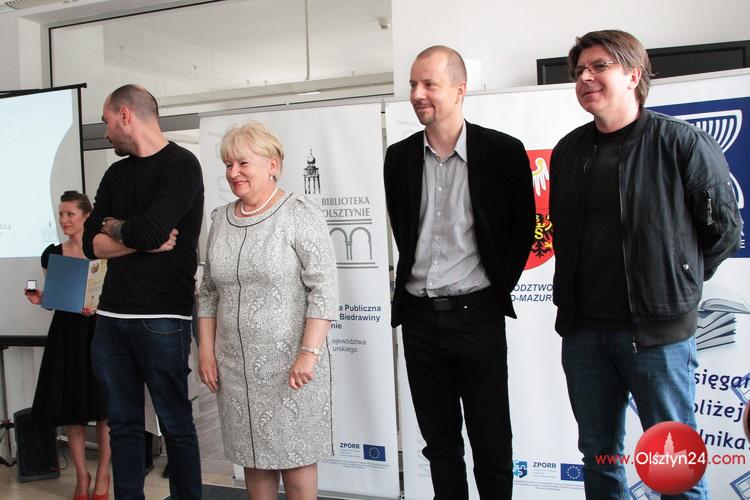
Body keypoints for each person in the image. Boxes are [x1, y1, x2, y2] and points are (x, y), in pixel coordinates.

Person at [550, 30, 742, 499]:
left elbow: (723, 232)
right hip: (585, 335)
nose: (585, 77)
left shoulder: (682, 143)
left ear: (633, 75)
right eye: (579, 70)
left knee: (673, 465)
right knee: (599, 456)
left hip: (659, 335)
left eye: (599, 66)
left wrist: (677, 280)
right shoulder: (568, 151)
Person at [383, 45, 535, 499]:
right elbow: (404, 230)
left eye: (429, 84)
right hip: (418, 319)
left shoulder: (502, 152)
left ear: (460, 89)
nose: (417, 93)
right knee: (439, 445)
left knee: (491, 441)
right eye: (413, 84)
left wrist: (489, 291)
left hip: (477, 316)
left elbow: (521, 232)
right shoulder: (398, 157)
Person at [197, 121, 338, 500]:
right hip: (234, 369)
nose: (233, 173)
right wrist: (206, 351)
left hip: (290, 367)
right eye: (228, 164)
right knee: (253, 460)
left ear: (272, 164)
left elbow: (324, 289)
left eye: (243, 163)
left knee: (295, 459)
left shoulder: (299, 213)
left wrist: (308, 354)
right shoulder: (220, 220)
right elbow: (208, 292)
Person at [82, 84, 204, 500]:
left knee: (176, 423)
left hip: (163, 316)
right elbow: (90, 244)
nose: (105, 133)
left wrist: (114, 227)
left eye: (106, 122)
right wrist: (137, 238)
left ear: (125, 115)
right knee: (123, 426)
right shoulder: (116, 173)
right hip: (111, 318)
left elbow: (148, 232)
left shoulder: (181, 166)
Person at [24, 190, 111, 500]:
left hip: (100, 331)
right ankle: (81, 476)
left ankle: (103, 473)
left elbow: (116, 293)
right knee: (72, 409)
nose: (64, 219)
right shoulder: (52, 253)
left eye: (70, 214)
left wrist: (97, 306)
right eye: (61, 214)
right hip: (66, 335)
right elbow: (54, 298)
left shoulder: (103, 249)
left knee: (104, 409)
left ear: (86, 216)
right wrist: (41, 299)